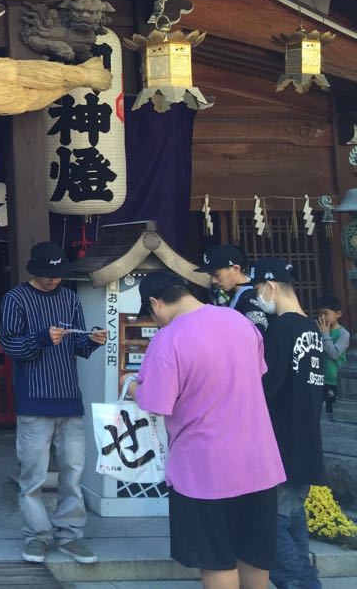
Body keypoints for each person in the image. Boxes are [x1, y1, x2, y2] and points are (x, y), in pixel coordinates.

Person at [126, 271, 284, 589]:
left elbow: (156, 402)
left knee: (217, 560)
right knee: (255, 557)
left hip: (206, 470)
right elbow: (258, 372)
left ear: (155, 304)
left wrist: (129, 386)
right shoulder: (241, 323)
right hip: (260, 462)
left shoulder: (167, 340)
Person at [0, 241, 107, 566]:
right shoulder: (16, 298)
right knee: (33, 475)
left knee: (73, 471)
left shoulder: (70, 298)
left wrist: (91, 340)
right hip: (34, 399)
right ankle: (37, 535)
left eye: (58, 274)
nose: (54, 280)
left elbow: (77, 345)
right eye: (48, 275)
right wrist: (42, 338)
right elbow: (10, 345)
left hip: (69, 398)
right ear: (35, 271)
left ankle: (70, 535)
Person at [253, 258, 325, 589]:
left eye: (257, 290)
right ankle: (308, 581)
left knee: (268, 525)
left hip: (281, 442)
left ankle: (302, 583)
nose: (258, 299)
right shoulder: (311, 327)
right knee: (293, 518)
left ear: (270, 286)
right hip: (307, 438)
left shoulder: (280, 329)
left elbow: (266, 387)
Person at [197, 244, 268, 332]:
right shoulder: (236, 292)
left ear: (235, 269)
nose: (213, 281)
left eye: (216, 274)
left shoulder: (251, 297)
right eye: (210, 275)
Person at [316, 293, 349, 416]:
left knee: (331, 410)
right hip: (319, 378)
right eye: (320, 313)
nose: (322, 317)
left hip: (334, 379)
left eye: (326, 313)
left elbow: (334, 354)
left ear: (338, 314)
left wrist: (325, 334)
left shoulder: (343, 334)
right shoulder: (319, 330)